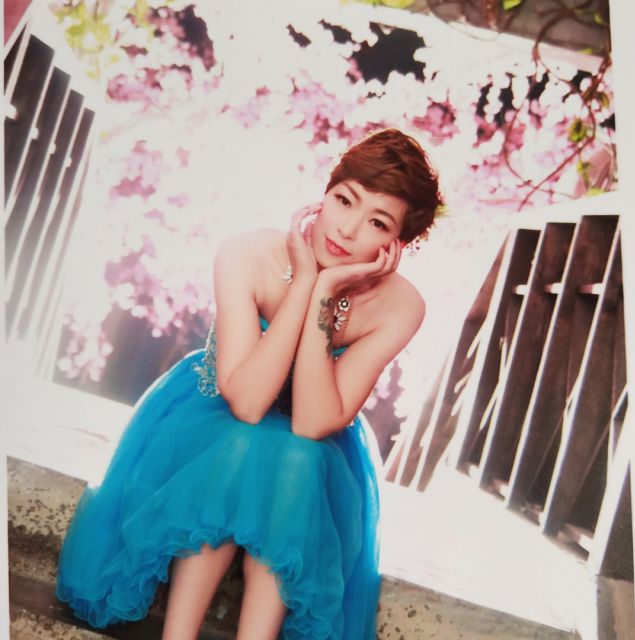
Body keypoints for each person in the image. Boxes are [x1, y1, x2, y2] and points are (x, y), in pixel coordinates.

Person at [56, 128, 444, 640]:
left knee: (296, 456)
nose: (347, 228)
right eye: (344, 200)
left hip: (308, 450)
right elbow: (246, 402)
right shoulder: (246, 254)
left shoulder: (400, 306)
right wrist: (304, 281)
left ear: (395, 246)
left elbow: (311, 423)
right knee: (243, 441)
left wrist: (324, 292)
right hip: (210, 419)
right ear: (324, 194)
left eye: (376, 222)